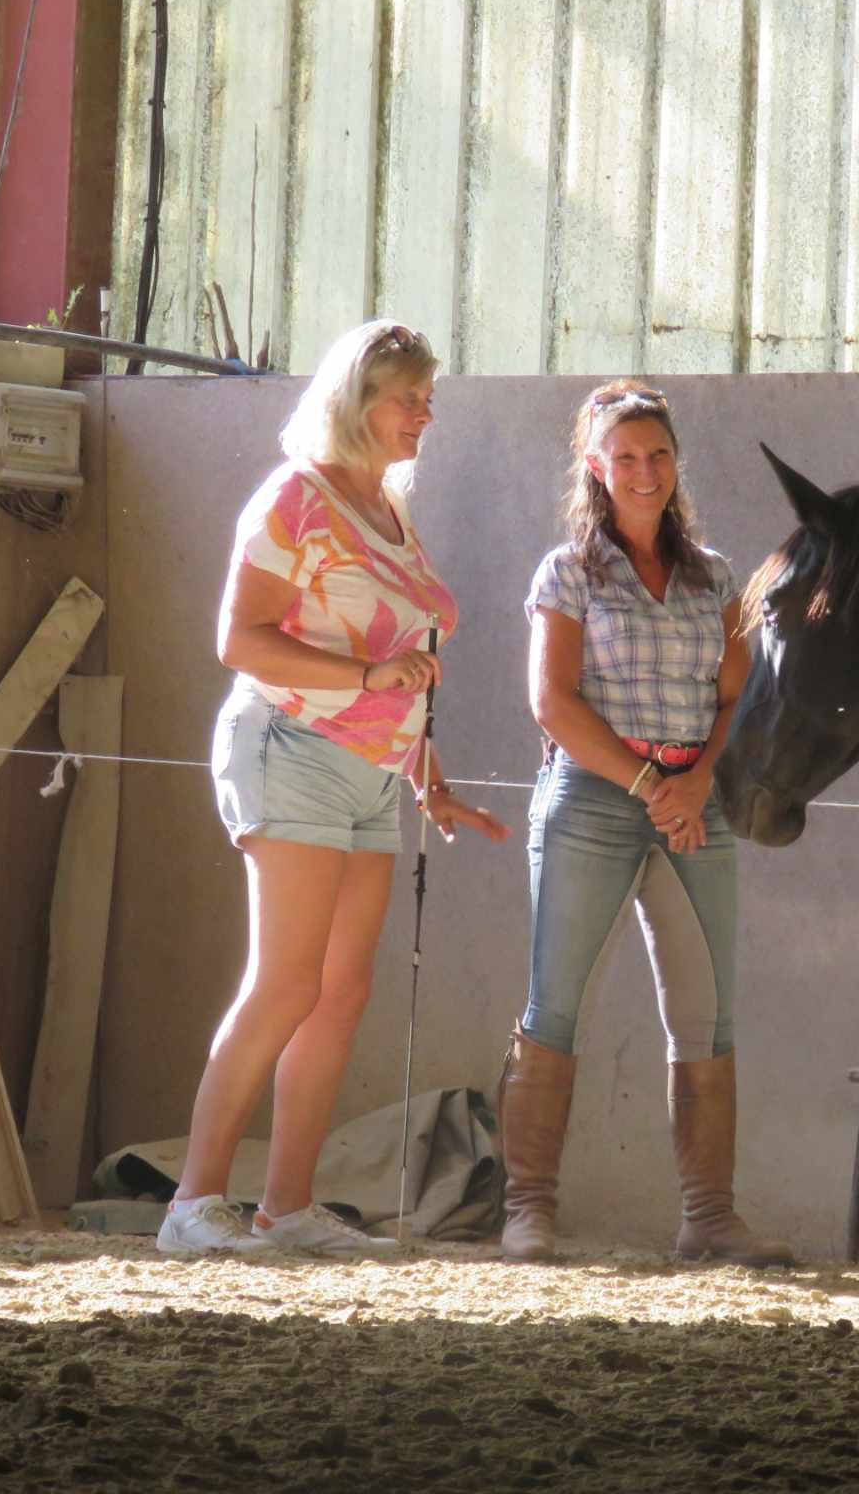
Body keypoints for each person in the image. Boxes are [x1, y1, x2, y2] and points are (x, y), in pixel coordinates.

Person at [157, 319, 509, 1256]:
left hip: (372, 775)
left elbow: (408, 670)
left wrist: (434, 787)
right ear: (358, 401)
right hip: (288, 746)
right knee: (286, 982)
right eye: (410, 398)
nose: (425, 416)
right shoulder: (295, 498)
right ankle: (193, 1205)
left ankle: (287, 1209)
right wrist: (363, 683)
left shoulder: (391, 511)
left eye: (428, 398)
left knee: (340, 992)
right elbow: (240, 640)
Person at [498, 379, 792, 1267]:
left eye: (657, 453)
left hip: (696, 804)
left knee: (707, 1014)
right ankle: (528, 1211)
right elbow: (551, 702)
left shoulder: (716, 575)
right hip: (594, 796)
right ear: (595, 465)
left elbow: (740, 694)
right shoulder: (567, 571)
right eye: (624, 455)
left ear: (676, 463)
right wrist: (645, 784)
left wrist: (697, 781)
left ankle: (709, 1218)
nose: (644, 470)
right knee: (554, 1003)